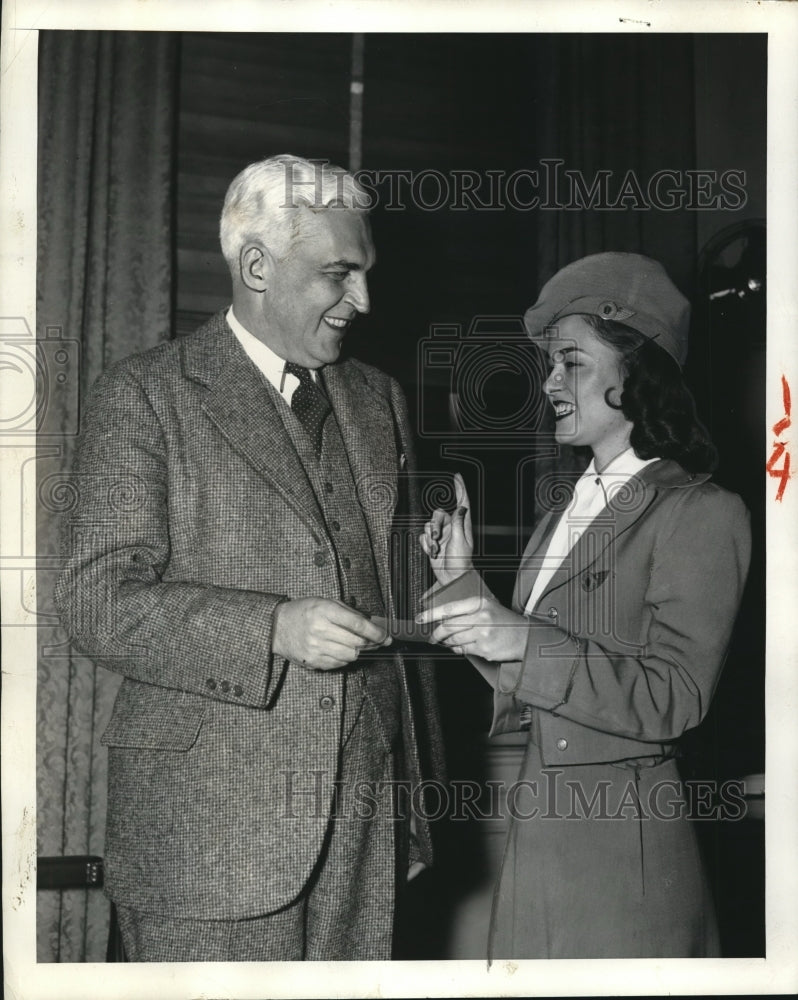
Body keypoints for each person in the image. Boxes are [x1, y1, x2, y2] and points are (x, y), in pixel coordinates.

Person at [55, 154, 444, 962]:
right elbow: (98, 600)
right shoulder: (144, 394)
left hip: (367, 810)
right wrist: (271, 627)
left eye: (366, 274)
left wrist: (442, 573)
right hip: (208, 831)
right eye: (339, 273)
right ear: (256, 265)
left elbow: (385, 584)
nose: (363, 301)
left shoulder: (379, 399)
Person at [417, 252, 751, 959]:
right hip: (536, 832)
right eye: (549, 364)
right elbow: (529, 684)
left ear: (636, 368)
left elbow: (676, 695)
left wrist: (521, 639)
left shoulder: (701, 511)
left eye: (571, 361)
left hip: (619, 855)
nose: (548, 382)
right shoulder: (562, 516)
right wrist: (462, 587)